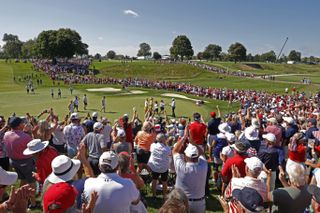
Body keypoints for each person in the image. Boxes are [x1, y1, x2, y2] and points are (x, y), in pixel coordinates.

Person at [3, 116, 37, 208]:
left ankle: (19, 196)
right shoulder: (25, 136)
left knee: (23, 179)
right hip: (26, 162)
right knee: (31, 181)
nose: (24, 124)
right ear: (18, 126)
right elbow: (34, 146)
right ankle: (33, 203)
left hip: (14, 162)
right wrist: (29, 132)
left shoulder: (6, 134)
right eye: (22, 123)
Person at [172, 126, 208, 213]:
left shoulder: (181, 167)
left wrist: (185, 137)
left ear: (186, 155)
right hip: (199, 203)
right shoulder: (203, 166)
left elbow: (175, 151)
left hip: (182, 202)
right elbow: (202, 154)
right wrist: (194, 143)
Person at [148, 133, 171, 198]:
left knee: (154, 180)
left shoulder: (153, 146)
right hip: (163, 168)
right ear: (164, 140)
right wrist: (166, 145)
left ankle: (154, 195)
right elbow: (170, 153)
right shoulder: (167, 148)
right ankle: (164, 195)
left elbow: (151, 149)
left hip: (155, 167)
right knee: (164, 182)